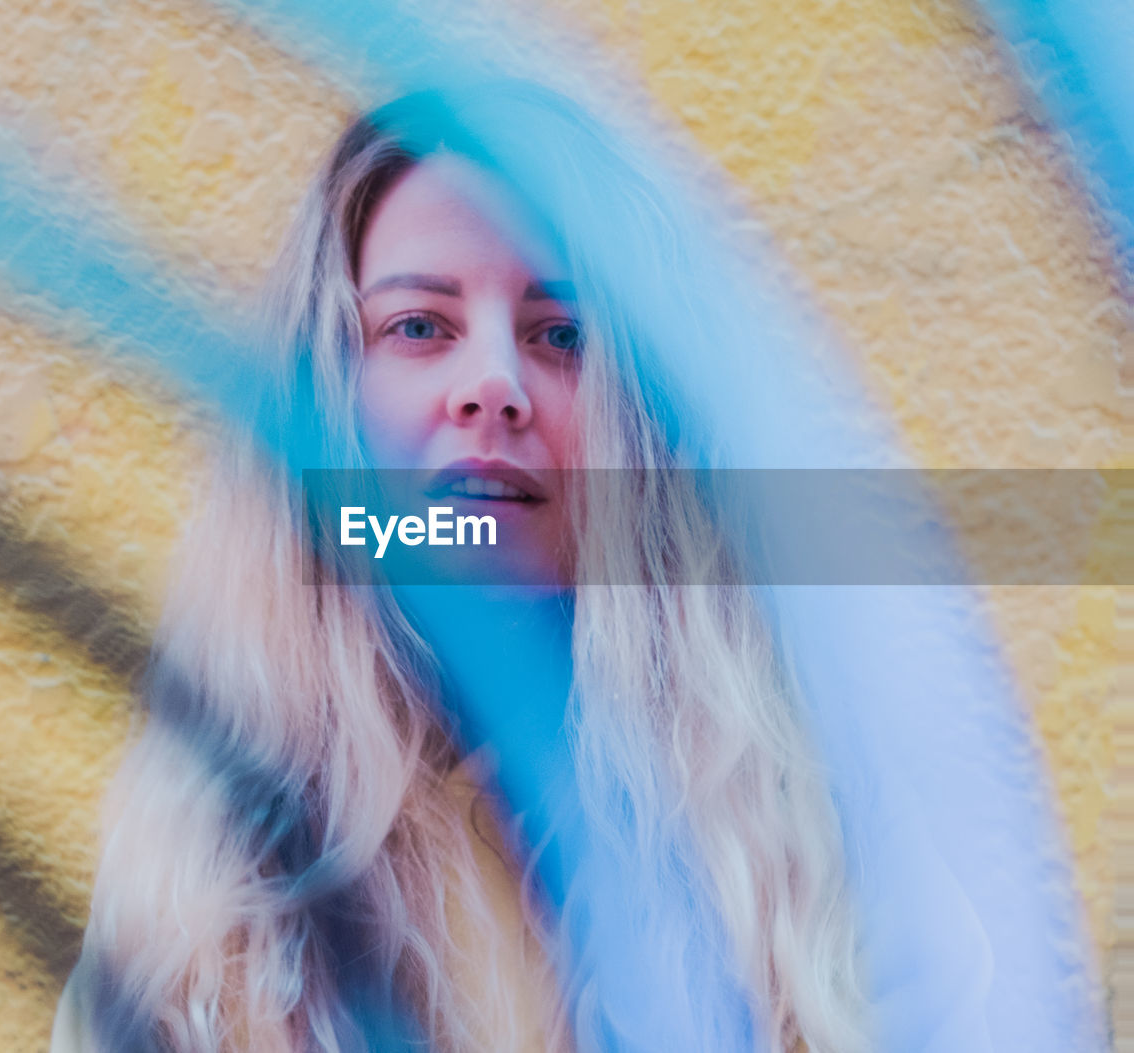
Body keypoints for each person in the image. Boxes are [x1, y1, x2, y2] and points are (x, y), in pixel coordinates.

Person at [52, 82, 875, 1052]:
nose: (493, 384)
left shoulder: (797, 862)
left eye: (559, 334)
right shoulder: (193, 917)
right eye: (419, 326)